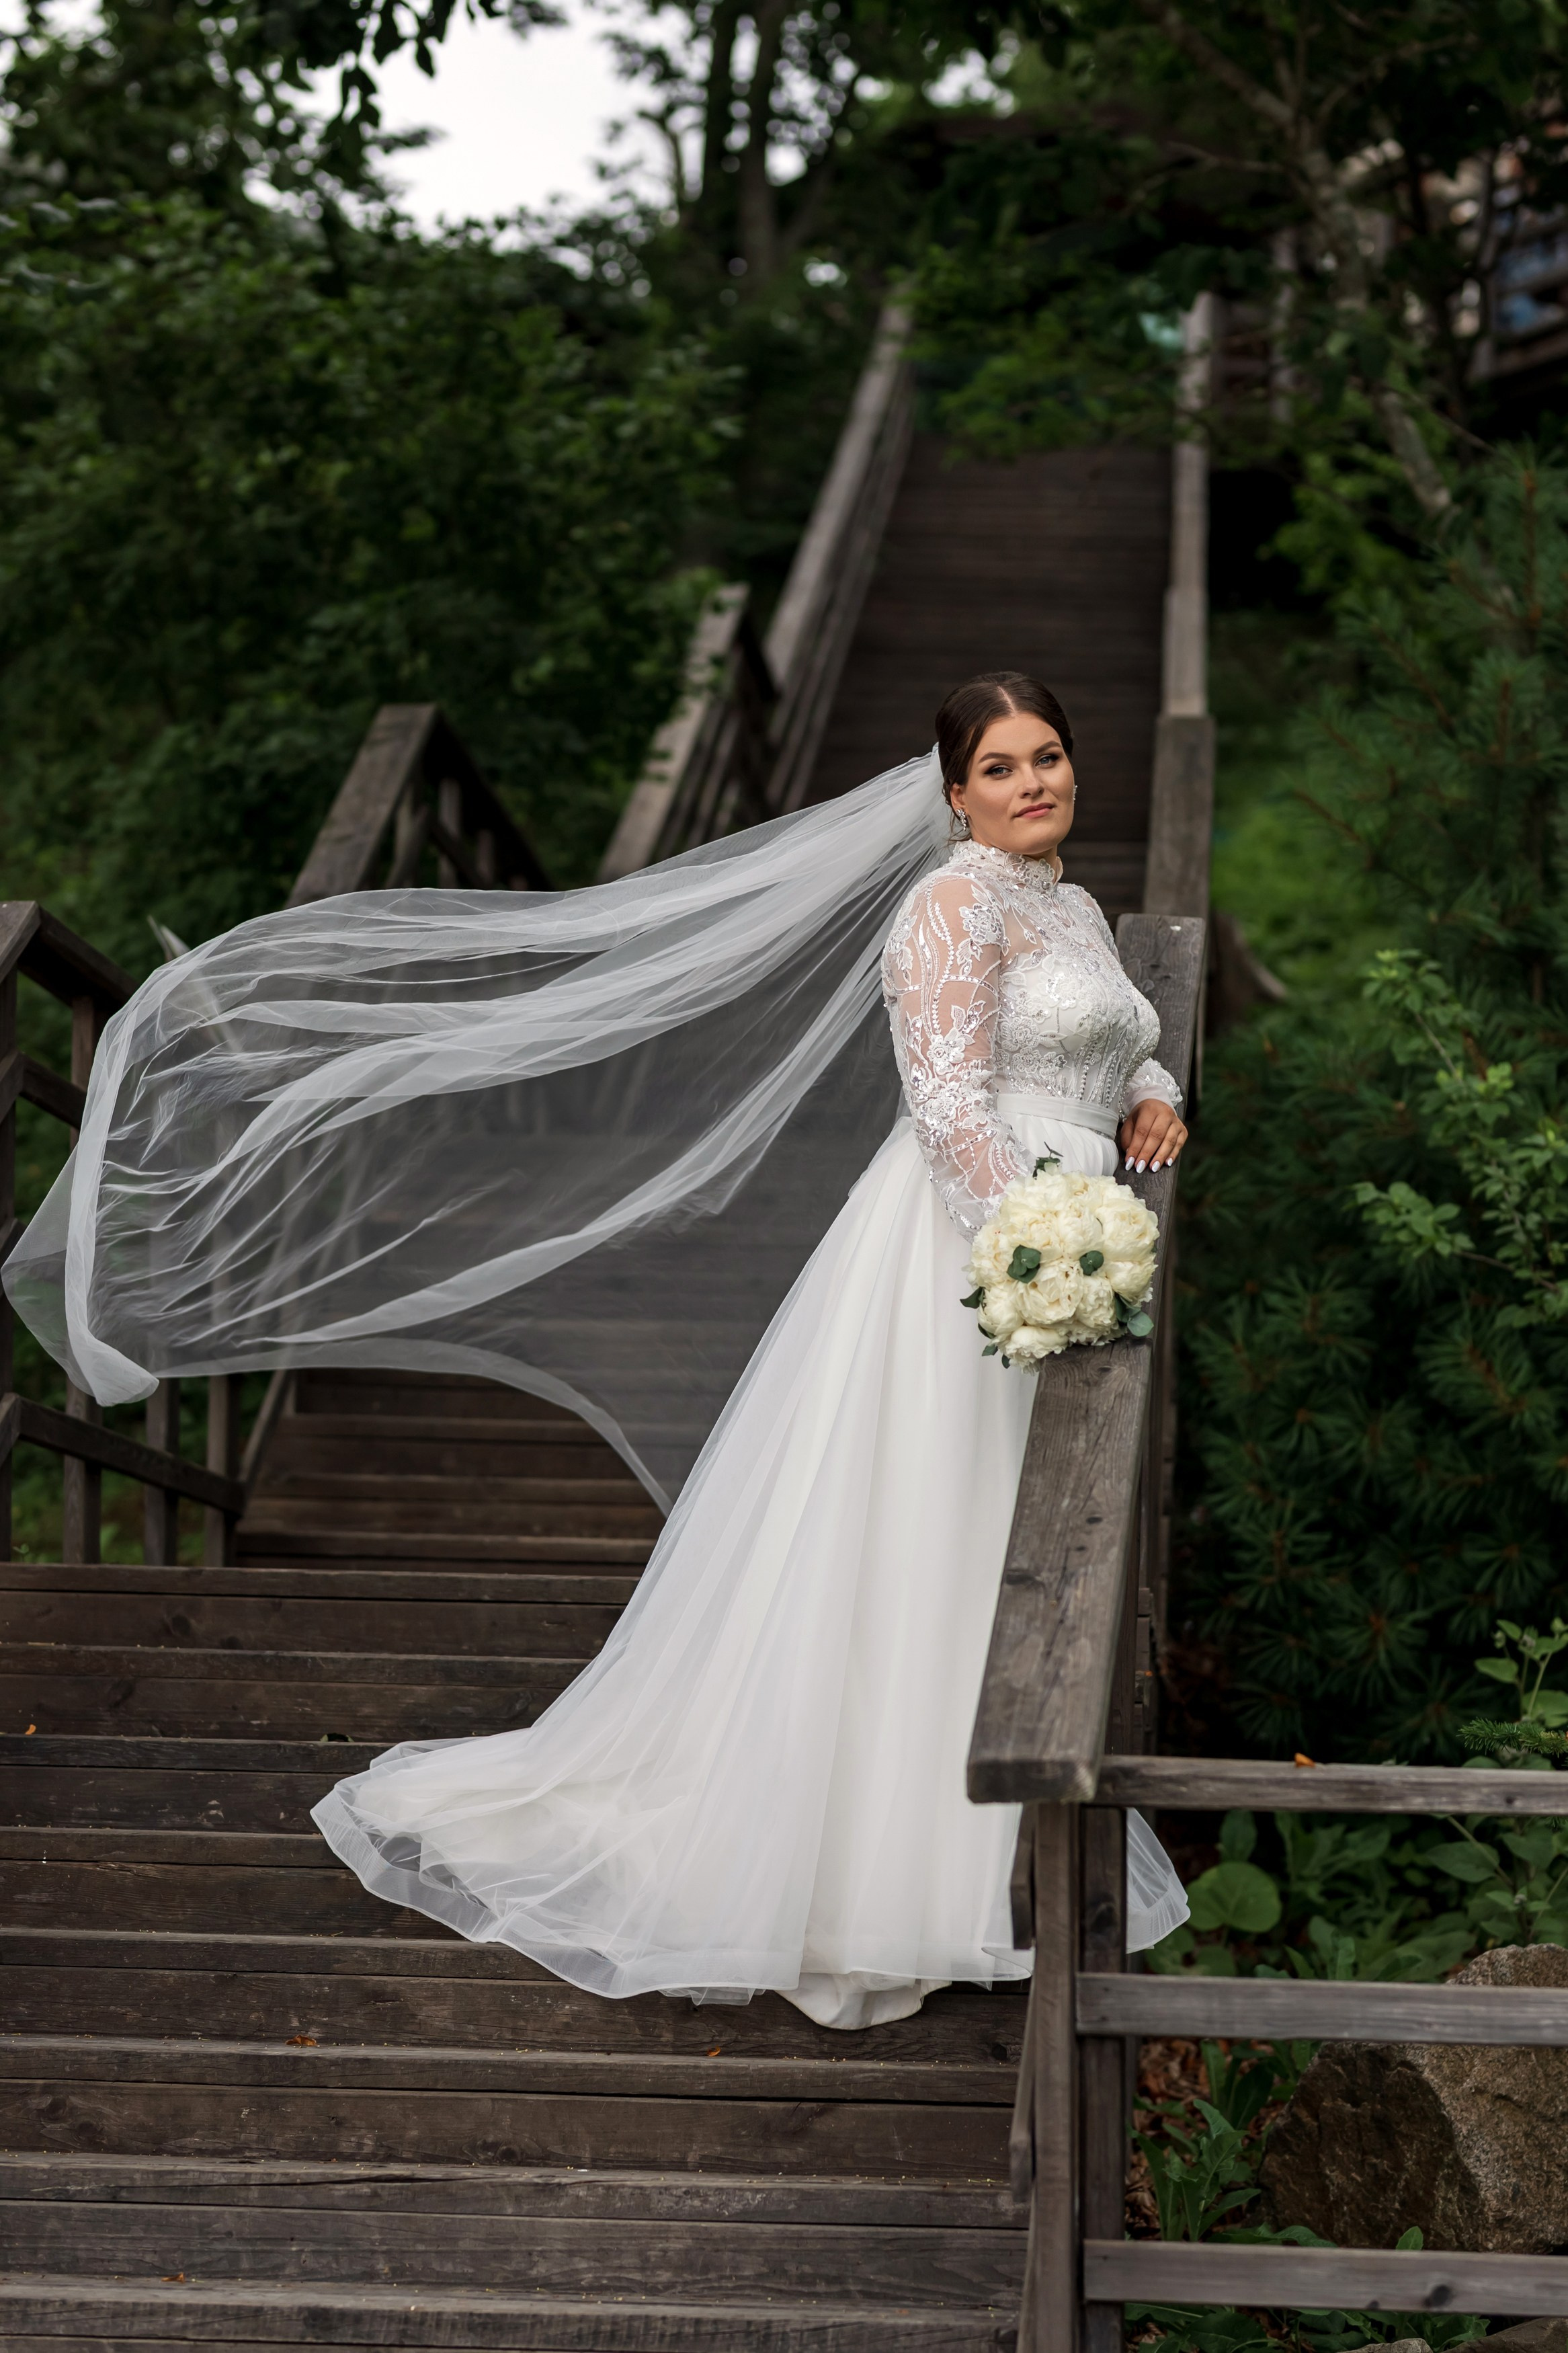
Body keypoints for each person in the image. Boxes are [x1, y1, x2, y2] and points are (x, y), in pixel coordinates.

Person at [308, 671, 1191, 2029]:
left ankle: (970, 1854)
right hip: (978, 1248)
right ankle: (872, 1876)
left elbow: (1110, 1041)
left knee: (992, 1542)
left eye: (1052, 756)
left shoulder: (1067, 904)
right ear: (955, 794)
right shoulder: (949, 903)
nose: (1035, 782)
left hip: (1063, 1226)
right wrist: (1032, 1250)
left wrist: (1153, 1096)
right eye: (1004, 767)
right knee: (923, 1534)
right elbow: (951, 1100)